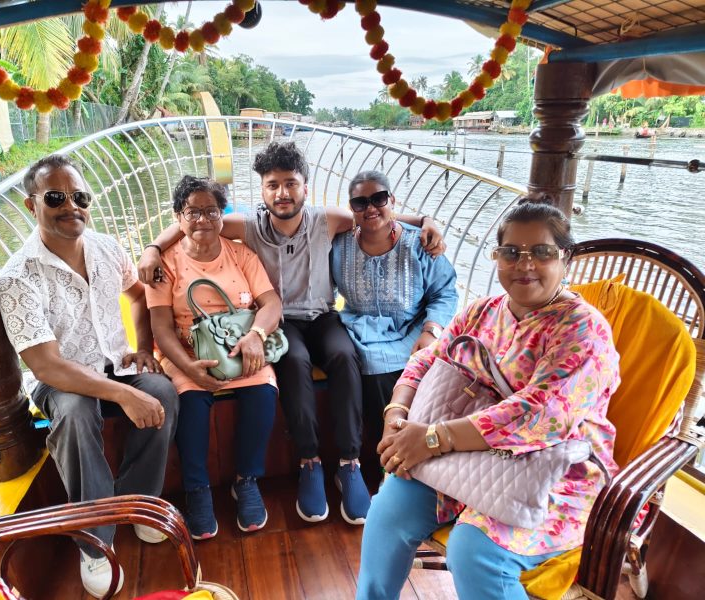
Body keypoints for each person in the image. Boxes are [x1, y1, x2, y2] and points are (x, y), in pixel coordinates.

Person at [137, 142, 446, 526]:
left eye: (290, 183)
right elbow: (196, 220)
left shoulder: (327, 220)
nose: (282, 193)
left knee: (345, 355)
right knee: (294, 360)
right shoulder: (247, 226)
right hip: (279, 324)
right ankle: (309, 461)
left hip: (320, 316)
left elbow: (375, 214)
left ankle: (349, 463)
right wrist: (152, 249)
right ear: (262, 191)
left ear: (305, 187)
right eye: (272, 185)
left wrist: (425, 220)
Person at [356, 200, 621, 600]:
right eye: (511, 252)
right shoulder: (483, 311)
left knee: (475, 551)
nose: (525, 264)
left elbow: (542, 414)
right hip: (467, 453)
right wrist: (397, 413)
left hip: (554, 469)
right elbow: (429, 359)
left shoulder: (583, 330)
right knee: (389, 507)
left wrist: (431, 439)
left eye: (542, 252)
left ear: (565, 259)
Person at [0, 155, 178, 599]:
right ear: (31, 205)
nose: (70, 206)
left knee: (162, 390)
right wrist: (123, 395)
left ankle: (135, 505)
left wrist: (143, 348)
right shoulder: (19, 276)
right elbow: (46, 366)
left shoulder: (107, 247)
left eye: (80, 197)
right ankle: (95, 541)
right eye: (55, 198)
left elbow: (137, 296)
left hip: (114, 363)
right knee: (76, 414)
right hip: (60, 379)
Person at [145, 175, 282, 540]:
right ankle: (197, 489)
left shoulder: (240, 254)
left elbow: (271, 304)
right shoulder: (165, 265)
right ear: (178, 216)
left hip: (239, 349)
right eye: (193, 211)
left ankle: (246, 480)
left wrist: (256, 335)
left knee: (263, 393)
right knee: (190, 402)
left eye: (212, 211)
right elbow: (161, 329)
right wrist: (188, 366)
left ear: (223, 215)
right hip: (185, 353)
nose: (203, 219)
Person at [331, 171, 458, 451]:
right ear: (351, 209)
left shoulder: (420, 244)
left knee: (420, 363)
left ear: (392, 200)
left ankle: (409, 450)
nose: (371, 208)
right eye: (360, 203)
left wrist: (431, 329)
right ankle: (379, 454)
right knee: (362, 362)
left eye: (378, 199)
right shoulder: (339, 246)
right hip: (360, 327)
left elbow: (445, 292)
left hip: (414, 325)